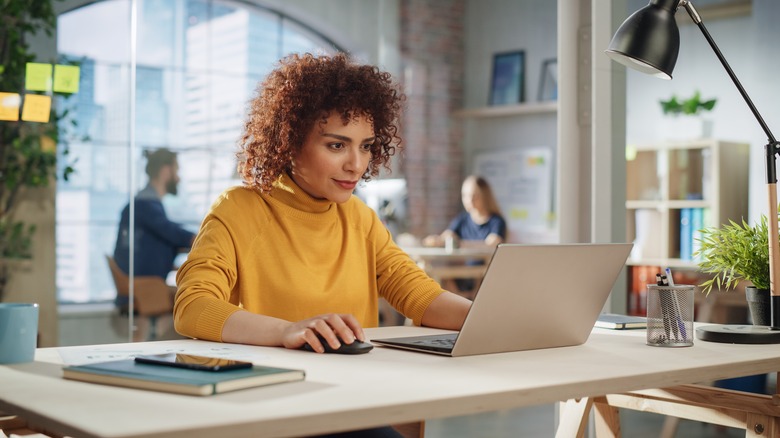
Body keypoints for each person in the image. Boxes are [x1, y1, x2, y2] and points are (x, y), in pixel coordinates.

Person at [174, 53, 471, 353]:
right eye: (337, 145)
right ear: (289, 142)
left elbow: (420, 295)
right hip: (269, 387)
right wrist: (287, 331)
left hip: (356, 387)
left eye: (365, 147)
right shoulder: (238, 210)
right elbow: (193, 306)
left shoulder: (360, 218)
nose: (356, 165)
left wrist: (490, 318)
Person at [113, 148, 196, 306]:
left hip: (138, 281)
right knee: (195, 301)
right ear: (166, 171)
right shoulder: (145, 205)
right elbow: (170, 231)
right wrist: (201, 239)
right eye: (177, 171)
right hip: (142, 285)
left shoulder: (141, 203)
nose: (178, 178)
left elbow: (162, 234)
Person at [422, 175, 507, 294]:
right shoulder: (462, 219)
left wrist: (461, 244)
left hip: (486, 274)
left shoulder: (496, 221)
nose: (469, 200)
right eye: (465, 195)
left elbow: (492, 244)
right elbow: (447, 235)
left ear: (484, 196)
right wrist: (437, 240)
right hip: (462, 271)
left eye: (474, 195)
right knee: (435, 275)